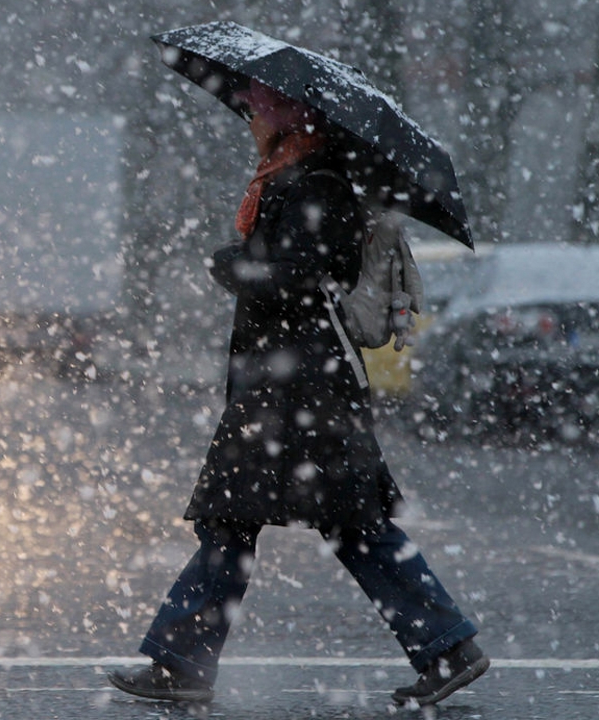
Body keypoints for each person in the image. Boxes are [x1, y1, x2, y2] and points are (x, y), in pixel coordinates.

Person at [107, 80, 488, 707]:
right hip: (289, 386)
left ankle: (184, 665)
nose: (252, 119)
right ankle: (445, 646)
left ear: (289, 120)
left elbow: (312, 276)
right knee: (292, 523)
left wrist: (238, 266)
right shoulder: (293, 178)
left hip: (303, 389)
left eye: (261, 111)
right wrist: (248, 264)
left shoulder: (319, 184)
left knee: (287, 522)